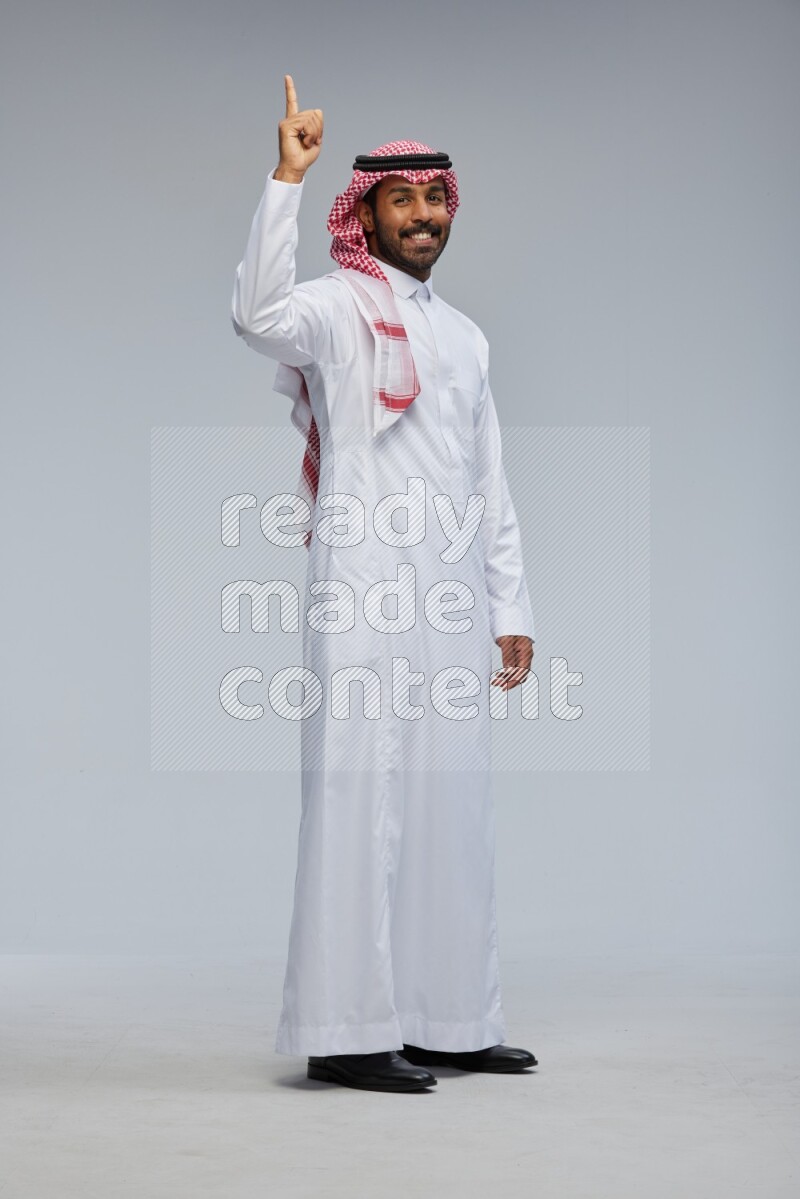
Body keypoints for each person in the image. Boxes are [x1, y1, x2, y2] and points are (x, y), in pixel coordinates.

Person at [231, 75, 538, 1093]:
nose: (420, 216)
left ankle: (452, 1017)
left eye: (433, 198)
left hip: (449, 597)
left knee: (454, 805)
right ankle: (345, 1028)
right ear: (362, 211)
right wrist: (285, 176)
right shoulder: (330, 307)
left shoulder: (464, 336)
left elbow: (486, 481)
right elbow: (255, 313)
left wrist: (510, 609)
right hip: (361, 585)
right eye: (400, 199)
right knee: (357, 800)